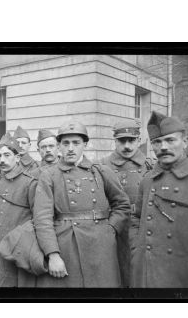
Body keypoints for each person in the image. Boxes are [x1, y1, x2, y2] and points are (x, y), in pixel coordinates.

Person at [131, 111, 188, 292]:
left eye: (170, 140)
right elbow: (135, 218)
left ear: (185, 142)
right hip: (147, 273)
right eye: (157, 142)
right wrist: (136, 248)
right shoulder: (148, 179)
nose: (163, 147)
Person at [33, 121, 130, 287]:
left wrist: (110, 229)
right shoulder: (49, 175)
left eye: (76, 143)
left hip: (101, 245)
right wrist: (53, 254)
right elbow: (42, 218)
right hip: (66, 245)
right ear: (59, 146)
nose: (71, 148)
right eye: (65, 143)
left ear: (85, 144)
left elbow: (122, 205)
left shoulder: (101, 171)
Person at [0, 134, 39, 287]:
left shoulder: (29, 183)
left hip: (12, 247)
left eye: (7, 155)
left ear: (17, 158)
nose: (2, 159)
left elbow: (38, 218)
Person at [99, 119, 153, 287]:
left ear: (139, 140)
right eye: (122, 141)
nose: (127, 146)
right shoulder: (102, 165)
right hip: (115, 227)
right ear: (114, 141)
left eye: (132, 140)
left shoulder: (149, 164)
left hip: (142, 226)